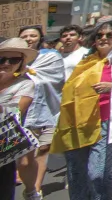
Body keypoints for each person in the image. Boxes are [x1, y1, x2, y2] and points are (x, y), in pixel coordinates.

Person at [53, 20, 112, 200]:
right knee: (76, 172)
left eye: (109, 35)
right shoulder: (86, 60)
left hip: (106, 122)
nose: (104, 38)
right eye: (99, 35)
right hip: (80, 122)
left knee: (97, 174)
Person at [18, 27, 63, 200]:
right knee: (24, 159)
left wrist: (29, 72)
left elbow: (57, 80)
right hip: (24, 116)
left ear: (40, 38)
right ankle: (29, 185)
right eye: (25, 36)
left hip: (48, 112)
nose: (29, 38)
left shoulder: (51, 57)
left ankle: (34, 190)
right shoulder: (14, 59)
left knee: (43, 149)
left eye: (33, 35)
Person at [0, 38, 37, 200]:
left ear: (21, 63)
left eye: (13, 60)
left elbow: (16, 111)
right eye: (2, 59)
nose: (6, 63)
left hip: (4, 145)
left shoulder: (25, 84)